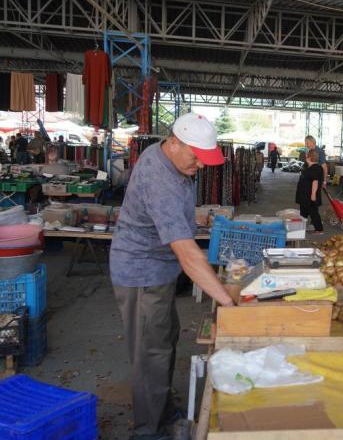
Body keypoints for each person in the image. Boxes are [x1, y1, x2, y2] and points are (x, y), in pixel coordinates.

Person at [110, 113, 235, 440]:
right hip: (141, 272)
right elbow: (186, 251)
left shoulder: (174, 160)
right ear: (174, 142)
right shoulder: (158, 178)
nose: (201, 166)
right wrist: (226, 300)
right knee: (150, 352)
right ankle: (150, 431)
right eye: (196, 157)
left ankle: (163, 411)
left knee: (163, 341)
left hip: (159, 269)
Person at [296, 148, 324, 234]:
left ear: (309, 157)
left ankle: (319, 229)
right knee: (303, 212)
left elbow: (315, 182)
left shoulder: (316, 168)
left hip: (309, 196)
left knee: (313, 213)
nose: (305, 157)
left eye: (307, 155)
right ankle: (301, 228)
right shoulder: (309, 167)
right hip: (304, 196)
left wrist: (313, 194)